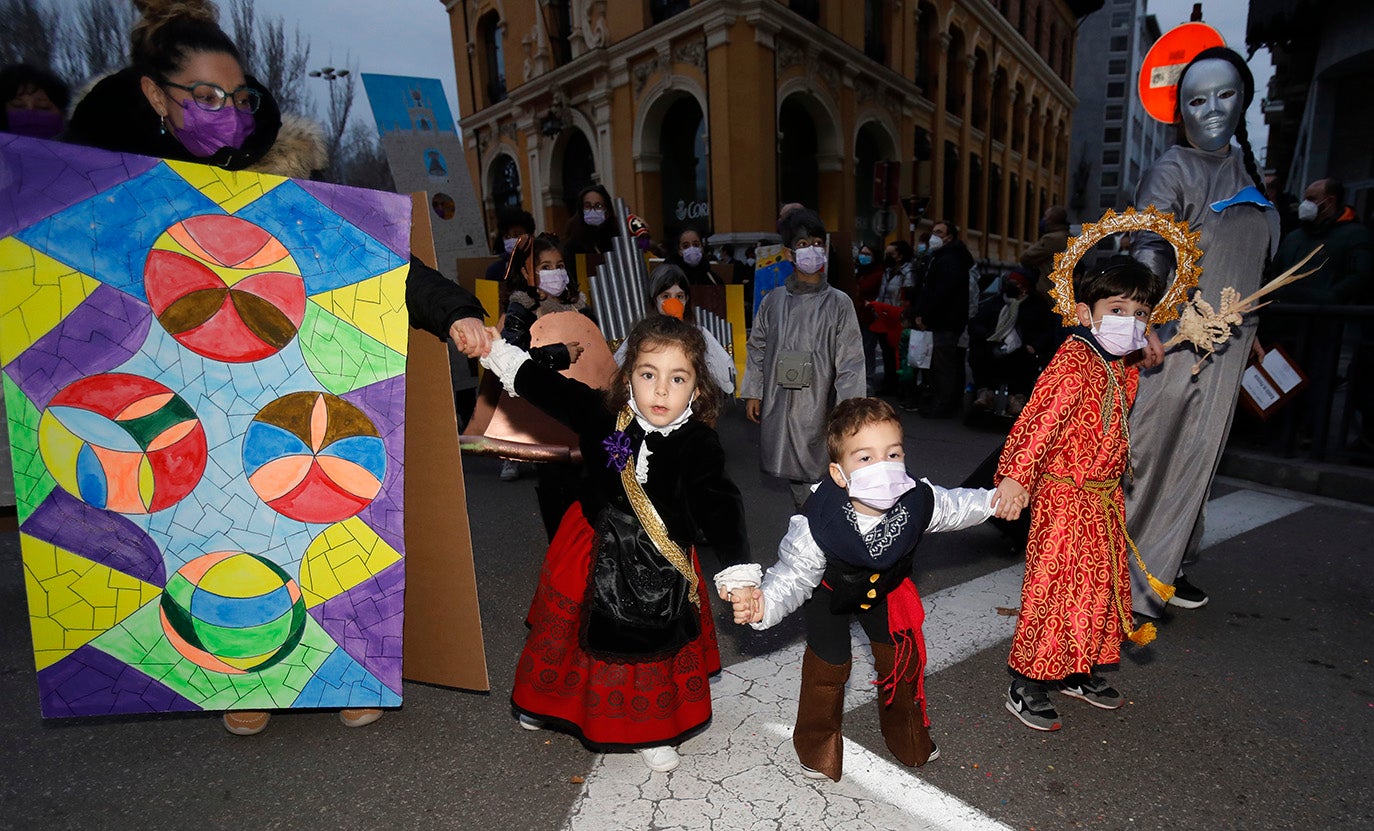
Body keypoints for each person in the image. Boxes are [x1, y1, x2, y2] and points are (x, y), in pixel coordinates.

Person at [62, 0, 493, 736]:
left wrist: (451, 308)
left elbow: (380, 262)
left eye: (236, 97)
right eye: (202, 95)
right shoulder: (101, 200)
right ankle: (237, 673)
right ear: (153, 95)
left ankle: (347, 664)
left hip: (288, 393)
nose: (223, 112)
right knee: (208, 537)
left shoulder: (281, 192)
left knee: (319, 521)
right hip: (173, 406)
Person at [478, 314, 750, 773]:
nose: (661, 391)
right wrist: (494, 350)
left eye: (677, 378)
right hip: (589, 545)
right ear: (628, 380)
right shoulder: (604, 414)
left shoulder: (699, 442)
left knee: (646, 643)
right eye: (649, 375)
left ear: (697, 389)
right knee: (567, 631)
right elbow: (548, 388)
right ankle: (546, 704)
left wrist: (739, 572)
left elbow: (720, 503)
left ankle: (649, 729)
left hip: (657, 560)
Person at [724, 398, 1018, 781]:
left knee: (901, 661)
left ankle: (907, 735)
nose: (883, 467)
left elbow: (958, 505)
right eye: (865, 458)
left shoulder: (917, 499)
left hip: (886, 590)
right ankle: (816, 746)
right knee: (828, 668)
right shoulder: (818, 522)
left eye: (892, 454)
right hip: (829, 592)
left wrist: (997, 501)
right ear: (839, 473)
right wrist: (764, 605)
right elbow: (793, 575)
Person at [1124, 46, 1281, 617]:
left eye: (1225, 95)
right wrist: (1143, 315)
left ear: (1244, 99)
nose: (1211, 110)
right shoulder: (1173, 168)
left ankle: (1170, 563)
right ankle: (1125, 576)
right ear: (1179, 110)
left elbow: (1248, 264)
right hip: (1177, 341)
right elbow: (1151, 241)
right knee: (1151, 454)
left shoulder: (1247, 171)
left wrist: (1252, 328)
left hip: (1233, 342)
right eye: (1196, 99)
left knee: (1200, 457)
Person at [994, 257, 1165, 731]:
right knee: (1054, 588)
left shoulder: (1118, 360)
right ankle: (1026, 683)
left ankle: (1079, 666)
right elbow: (1038, 420)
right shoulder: (1073, 360)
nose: (1130, 322)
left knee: (1099, 588)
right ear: (1086, 312)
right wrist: (1015, 476)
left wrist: (1146, 346)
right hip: (1064, 497)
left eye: (1141, 313)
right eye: (1118, 308)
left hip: (1103, 498)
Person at [740, 208, 866, 510]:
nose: (812, 250)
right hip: (780, 401)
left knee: (823, 468)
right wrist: (754, 391)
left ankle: (819, 528)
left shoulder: (838, 303)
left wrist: (849, 409)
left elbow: (851, 361)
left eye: (818, 244)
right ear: (788, 253)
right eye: (803, 244)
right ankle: (810, 527)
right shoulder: (773, 302)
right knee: (794, 476)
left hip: (821, 404)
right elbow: (757, 346)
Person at [1262, 177, 1374, 446]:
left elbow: (1360, 275)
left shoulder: (1354, 235)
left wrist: (1330, 298)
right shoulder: (1295, 236)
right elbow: (1275, 272)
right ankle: (1275, 432)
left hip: (1323, 327)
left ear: (1330, 201)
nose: (1305, 204)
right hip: (1285, 321)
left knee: (1316, 381)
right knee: (1278, 378)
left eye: (1311, 198)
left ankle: (1311, 435)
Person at [495, 233, 590, 485]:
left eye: (559, 266)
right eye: (545, 267)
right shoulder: (522, 310)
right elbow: (512, 357)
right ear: (528, 273)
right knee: (557, 479)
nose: (554, 273)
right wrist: (559, 355)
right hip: (545, 409)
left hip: (582, 403)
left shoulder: (579, 307)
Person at [614, 263, 734, 394]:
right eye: (666, 296)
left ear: (686, 299)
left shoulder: (699, 334)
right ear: (654, 300)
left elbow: (721, 378)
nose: (673, 302)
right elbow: (619, 372)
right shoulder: (642, 335)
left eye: (679, 297)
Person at [912, 220, 974, 418]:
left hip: (945, 320)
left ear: (949, 237)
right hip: (945, 319)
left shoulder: (950, 260)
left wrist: (925, 315)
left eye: (939, 232)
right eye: (933, 232)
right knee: (942, 363)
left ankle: (943, 403)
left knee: (942, 365)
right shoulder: (942, 257)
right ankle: (944, 401)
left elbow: (940, 292)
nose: (934, 236)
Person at [561, 183, 618, 292]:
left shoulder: (615, 241)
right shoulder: (572, 246)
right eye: (587, 206)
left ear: (607, 211)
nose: (592, 210)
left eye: (598, 206)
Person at [1, 64, 70, 139]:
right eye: (18, 105)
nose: (30, 113)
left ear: (62, 113)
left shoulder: (80, 148)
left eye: (43, 107)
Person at [1019, 205, 1070, 293]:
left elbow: (1026, 257)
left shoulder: (1052, 239)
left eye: (1046, 216)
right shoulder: (1067, 236)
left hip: (1047, 289)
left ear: (1052, 220)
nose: (1043, 219)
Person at [485, 206, 536, 282]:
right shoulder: (494, 270)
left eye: (516, 235)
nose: (511, 240)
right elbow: (486, 293)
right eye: (507, 236)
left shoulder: (541, 264)